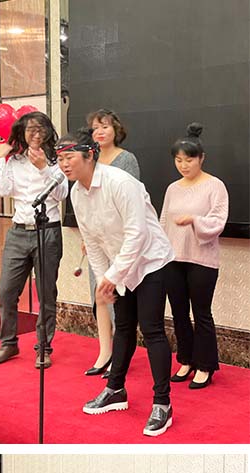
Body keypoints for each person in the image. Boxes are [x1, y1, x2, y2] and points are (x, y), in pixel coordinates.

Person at [57, 129, 176, 437]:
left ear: (90, 155)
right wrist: (103, 280)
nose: (64, 164)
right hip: (120, 266)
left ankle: (162, 404)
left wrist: (112, 275)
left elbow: (138, 234)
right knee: (123, 326)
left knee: (151, 329)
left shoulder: (121, 183)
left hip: (150, 261)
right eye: (59, 159)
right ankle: (115, 390)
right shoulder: (76, 193)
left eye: (69, 157)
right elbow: (92, 241)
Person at [0, 111, 68, 369]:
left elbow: (61, 194)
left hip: (47, 231)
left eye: (41, 129)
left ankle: (43, 348)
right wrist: (0, 160)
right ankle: (8, 343)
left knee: (46, 293)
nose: (36, 134)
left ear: (48, 132)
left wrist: (44, 167)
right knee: (6, 290)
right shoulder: (15, 160)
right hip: (18, 231)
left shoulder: (55, 160)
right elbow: (3, 190)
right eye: (31, 130)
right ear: (21, 133)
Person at [160, 123, 228, 390]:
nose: (183, 165)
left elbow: (218, 221)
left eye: (189, 160)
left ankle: (205, 365)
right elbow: (163, 221)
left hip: (202, 260)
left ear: (201, 158)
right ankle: (186, 360)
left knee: (201, 313)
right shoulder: (172, 188)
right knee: (178, 312)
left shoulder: (215, 186)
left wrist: (194, 220)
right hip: (173, 259)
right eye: (178, 160)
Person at [83, 109, 141, 376]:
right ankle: (104, 352)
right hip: (98, 242)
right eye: (95, 128)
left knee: (119, 298)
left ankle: (120, 354)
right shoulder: (89, 159)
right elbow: (87, 203)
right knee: (100, 296)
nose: (99, 132)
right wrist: (89, 237)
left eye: (105, 126)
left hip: (121, 243)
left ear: (116, 130)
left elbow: (132, 204)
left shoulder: (126, 159)